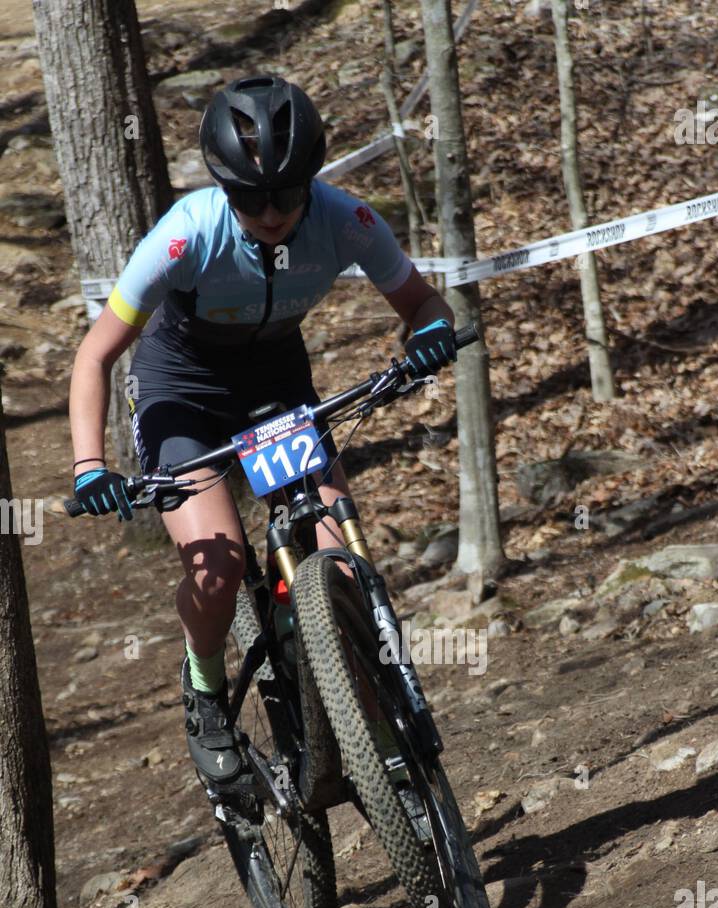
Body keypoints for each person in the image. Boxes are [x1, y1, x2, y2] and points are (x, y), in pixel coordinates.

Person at [68, 75, 456, 788]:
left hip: (276, 391)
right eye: (251, 198)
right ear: (225, 190)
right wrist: (89, 465)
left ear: (312, 180)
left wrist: (430, 334)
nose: (271, 213)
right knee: (217, 574)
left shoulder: (346, 220)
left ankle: (363, 714)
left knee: (342, 560)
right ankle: (205, 690)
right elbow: (95, 356)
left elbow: (424, 304)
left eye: (286, 193)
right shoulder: (186, 235)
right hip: (181, 395)